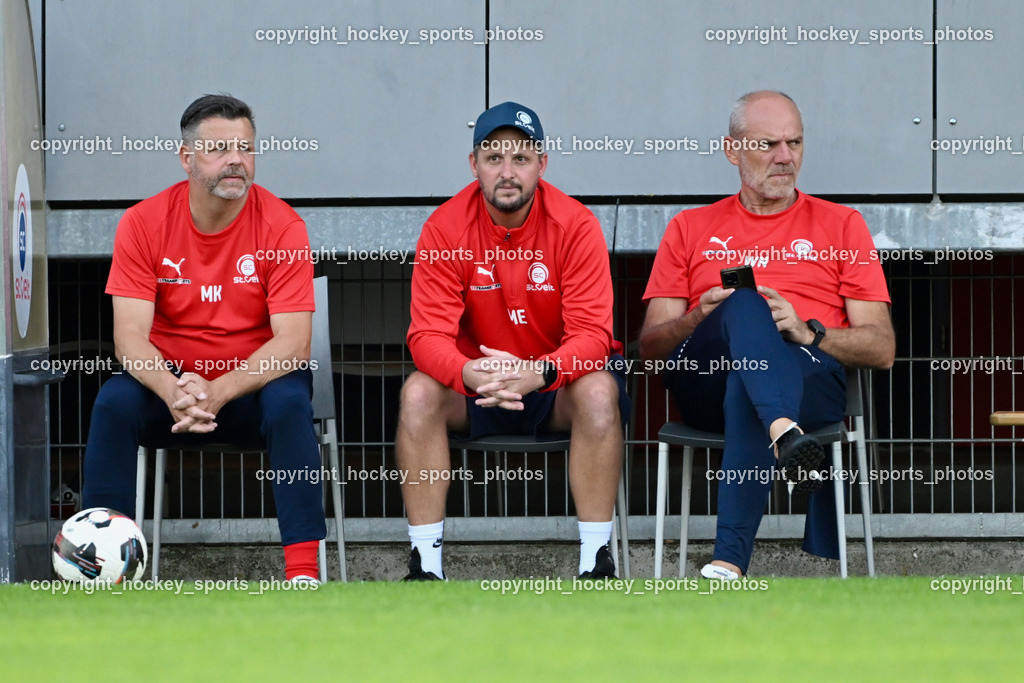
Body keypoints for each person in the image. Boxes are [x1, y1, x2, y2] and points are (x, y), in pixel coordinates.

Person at [639, 90, 894, 580]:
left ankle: (729, 560)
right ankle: (785, 434)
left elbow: (881, 349)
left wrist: (807, 332)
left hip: (808, 377)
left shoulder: (842, 224)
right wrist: (700, 317)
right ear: (732, 150)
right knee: (745, 301)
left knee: (750, 379)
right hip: (705, 383)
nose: (785, 157)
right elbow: (649, 352)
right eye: (769, 144)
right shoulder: (690, 228)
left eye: (795, 143)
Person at [81, 94, 326, 583]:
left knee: (290, 405)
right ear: (187, 158)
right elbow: (129, 339)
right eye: (219, 148)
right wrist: (176, 390)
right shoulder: (143, 222)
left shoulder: (283, 225)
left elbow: (295, 344)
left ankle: (303, 574)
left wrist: (216, 391)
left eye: (246, 148)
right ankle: (102, 568)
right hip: (171, 394)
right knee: (113, 403)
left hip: (251, 392)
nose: (236, 159)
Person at [398, 101, 630, 580]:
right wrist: (469, 372)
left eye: (521, 159)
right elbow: (426, 336)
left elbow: (593, 335)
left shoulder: (575, 223)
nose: (507, 172)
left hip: (551, 385)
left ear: (542, 165)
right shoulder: (445, 227)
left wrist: (538, 372)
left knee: (599, 391)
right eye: (493, 158)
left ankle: (596, 563)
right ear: (473, 165)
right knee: (418, 392)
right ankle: (426, 566)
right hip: (476, 388)